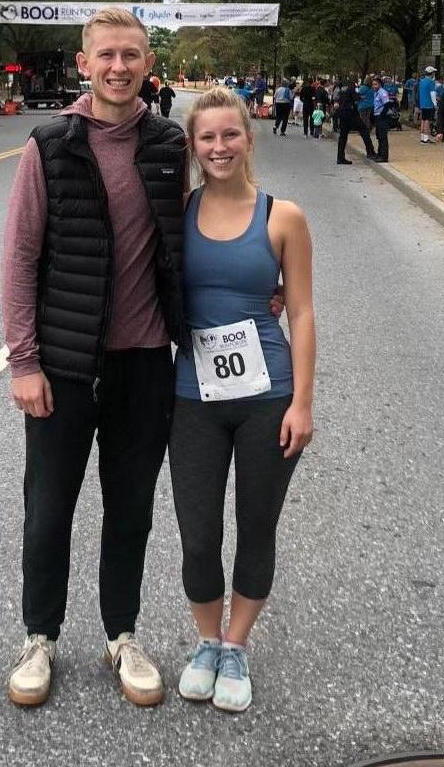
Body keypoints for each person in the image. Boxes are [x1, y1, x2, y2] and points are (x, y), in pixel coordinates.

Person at [1, 7, 188, 710]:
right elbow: (20, 258)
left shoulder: (169, 143)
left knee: (131, 508)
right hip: (66, 363)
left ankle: (122, 633)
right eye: (106, 54)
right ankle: (39, 636)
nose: (118, 65)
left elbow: (187, 241)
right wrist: (24, 360)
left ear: (147, 63)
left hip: (144, 363)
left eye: (131, 54)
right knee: (48, 508)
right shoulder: (49, 146)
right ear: (85, 63)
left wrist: (257, 288)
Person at [170, 86, 314, 714]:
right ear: (194, 146)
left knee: (257, 527)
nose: (219, 147)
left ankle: (236, 644)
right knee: (198, 534)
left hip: (267, 396)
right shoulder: (174, 212)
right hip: (191, 397)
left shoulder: (284, 217)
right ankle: (206, 639)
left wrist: (302, 402)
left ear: (249, 139)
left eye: (230, 135)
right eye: (207, 137)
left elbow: (303, 311)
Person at [334, 82, 377, 164]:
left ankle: (340, 157)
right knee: (364, 131)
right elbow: (357, 99)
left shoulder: (342, 91)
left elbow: (337, 100)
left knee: (342, 137)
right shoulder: (352, 89)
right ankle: (370, 151)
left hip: (342, 114)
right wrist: (361, 97)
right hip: (351, 114)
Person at [371, 76, 395, 162]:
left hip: (383, 117)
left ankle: (384, 156)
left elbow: (387, 104)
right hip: (377, 116)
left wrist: (382, 115)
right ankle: (379, 154)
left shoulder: (382, 92)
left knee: (383, 137)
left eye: (375, 84)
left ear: (380, 84)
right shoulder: (376, 93)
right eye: (373, 84)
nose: (374, 86)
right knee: (379, 136)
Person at [417, 66, 437, 144]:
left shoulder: (421, 81)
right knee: (427, 121)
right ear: (431, 73)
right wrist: (435, 104)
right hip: (428, 104)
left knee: (423, 120)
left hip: (422, 103)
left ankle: (422, 138)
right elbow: (433, 94)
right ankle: (425, 139)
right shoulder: (431, 82)